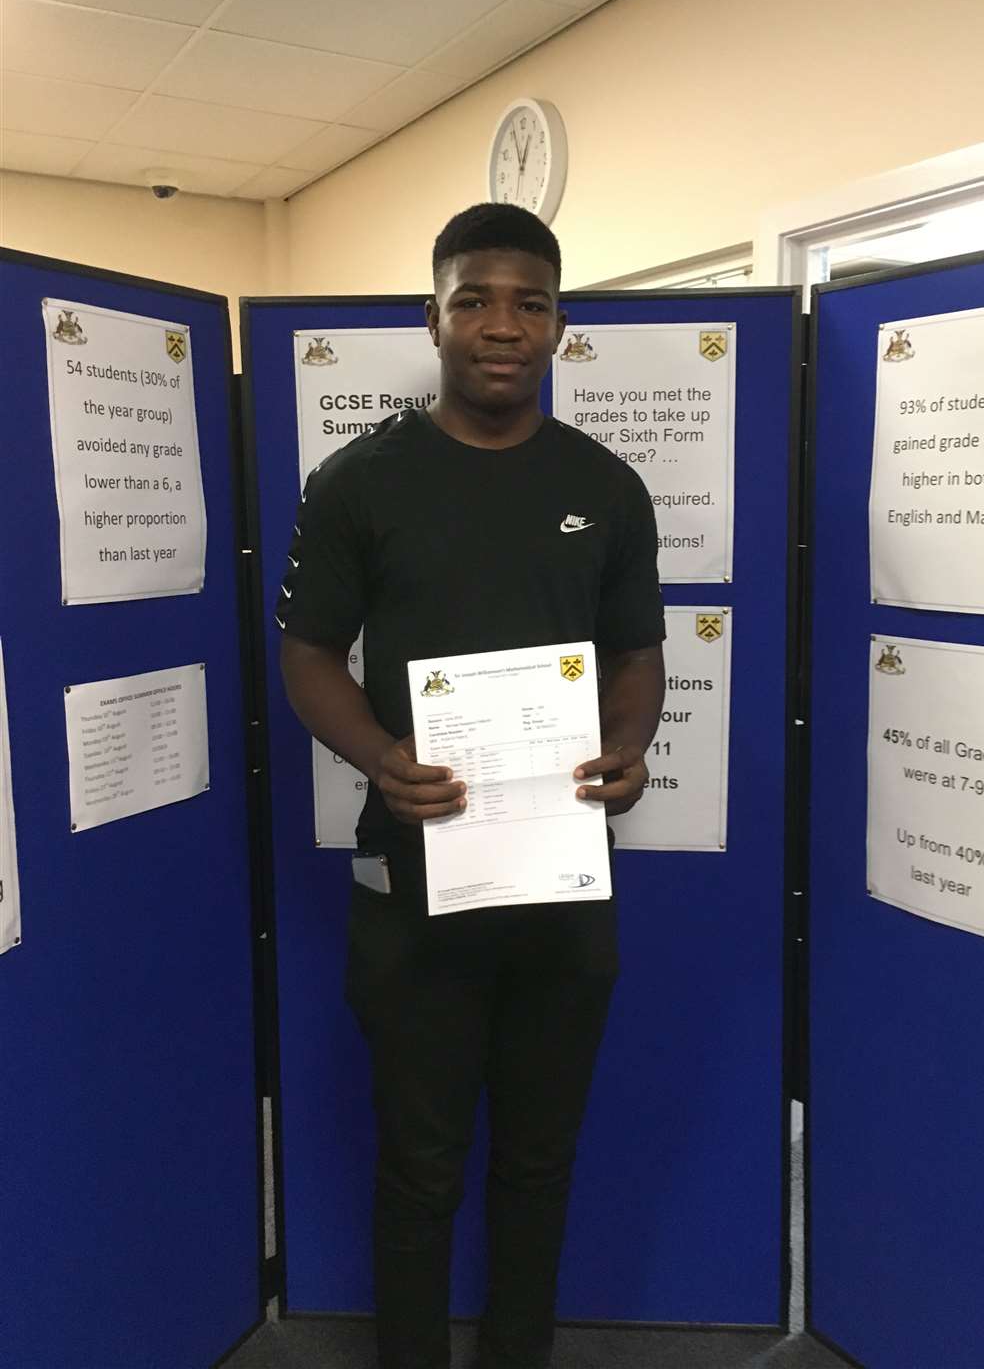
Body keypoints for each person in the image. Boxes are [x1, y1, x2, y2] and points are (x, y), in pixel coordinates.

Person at [276, 203, 665, 1369]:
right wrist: (379, 757)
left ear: (558, 325)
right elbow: (305, 657)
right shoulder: (362, 481)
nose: (503, 324)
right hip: (415, 880)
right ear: (433, 317)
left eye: (530, 302)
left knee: (541, 1157)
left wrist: (629, 748)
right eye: (475, 300)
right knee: (422, 1160)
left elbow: (636, 651)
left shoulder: (606, 484)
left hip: (560, 879)